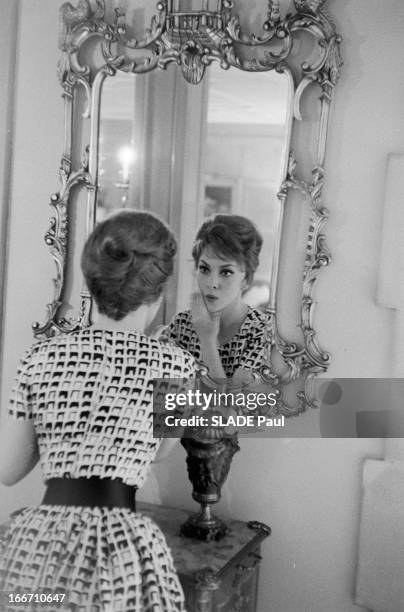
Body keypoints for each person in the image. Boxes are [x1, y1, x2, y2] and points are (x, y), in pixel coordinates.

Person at [0, 210, 195, 611]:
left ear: (91, 283)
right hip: (122, 556)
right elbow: (159, 453)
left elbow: (8, 470)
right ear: (158, 296)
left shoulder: (41, 357)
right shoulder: (175, 366)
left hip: (43, 550)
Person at [164, 214, 271, 387]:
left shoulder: (262, 332)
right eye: (204, 269)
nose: (212, 283)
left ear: (246, 279)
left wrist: (207, 342)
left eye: (226, 272)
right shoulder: (182, 324)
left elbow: (232, 410)